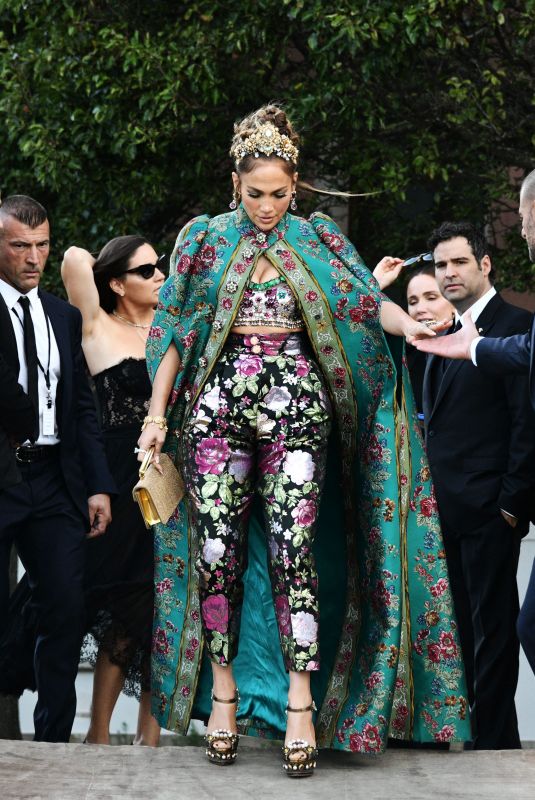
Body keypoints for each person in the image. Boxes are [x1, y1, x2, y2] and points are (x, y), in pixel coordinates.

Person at [137, 105, 470, 775]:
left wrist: (412, 326)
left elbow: (359, 303)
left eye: (278, 194)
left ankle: (299, 706)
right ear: (235, 184)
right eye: (255, 194)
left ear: (297, 188)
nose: (266, 207)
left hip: (297, 413)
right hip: (216, 412)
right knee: (216, 555)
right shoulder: (203, 240)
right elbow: (173, 331)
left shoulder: (316, 239)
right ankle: (224, 698)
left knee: (296, 555)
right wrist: (154, 416)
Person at [0, 195, 114, 742]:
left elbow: (82, 409)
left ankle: (54, 746)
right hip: (1, 476)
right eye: (20, 245)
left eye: (42, 245)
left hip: (54, 478)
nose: (33, 257)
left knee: (67, 609)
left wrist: (97, 486)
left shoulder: (61, 316)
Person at [415, 170, 535, 683]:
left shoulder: (516, 326)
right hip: (445, 510)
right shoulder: (443, 331)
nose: (449, 273)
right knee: (457, 636)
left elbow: (525, 421)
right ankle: (461, 753)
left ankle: (495, 749)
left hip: (491, 511)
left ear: (485, 264)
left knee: (497, 635)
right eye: (441, 265)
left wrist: (510, 504)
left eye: (460, 261)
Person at [59, 239, 165, 746]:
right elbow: (75, 259)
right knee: (124, 604)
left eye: (161, 265)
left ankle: (152, 738)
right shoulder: (96, 326)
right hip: (119, 484)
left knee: (164, 611)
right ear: (118, 283)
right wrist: (109, 272)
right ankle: (97, 736)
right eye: (147, 269)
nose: (160, 274)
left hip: (171, 482)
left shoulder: (172, 333)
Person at [373, 260, 455, 418]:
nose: (420, 309)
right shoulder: (402, 355)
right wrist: (374, 283)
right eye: (413, 302)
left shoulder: (476, 348)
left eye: (431, 298)